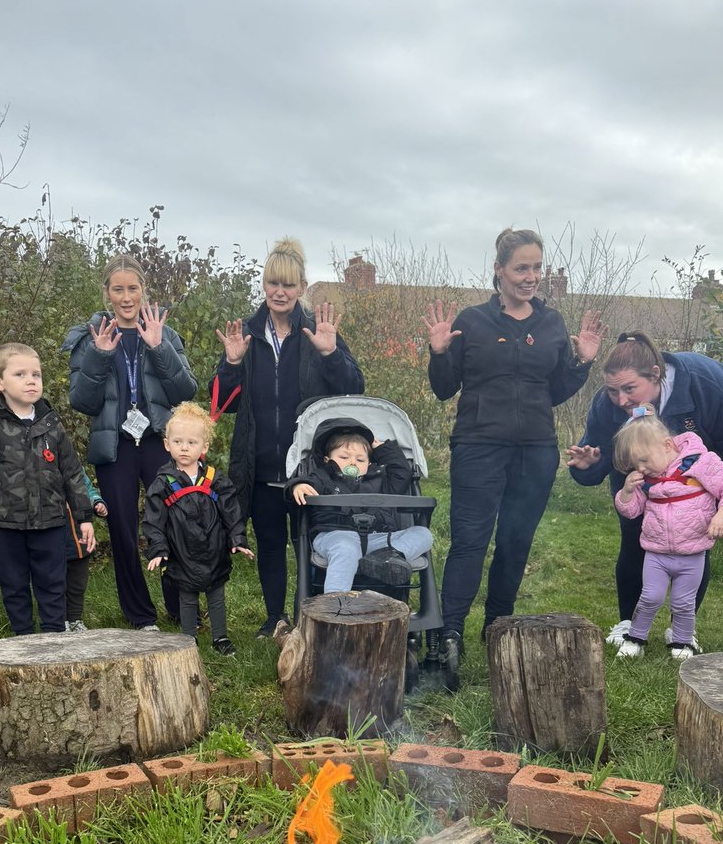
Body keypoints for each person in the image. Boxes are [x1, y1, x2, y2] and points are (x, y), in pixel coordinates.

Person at [424, 227, 604, 678]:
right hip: (479, 447)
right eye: (521, 267)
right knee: (470, 541)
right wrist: (439, 352)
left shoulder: (551, 324)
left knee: (515, 542)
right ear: (499, 270)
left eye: (537, 268)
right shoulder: (473, 319)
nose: (531, 277)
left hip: (535, 452)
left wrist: (582, 362)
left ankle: (497, 628)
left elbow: (555, 390)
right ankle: (449, 634)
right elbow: (444, 388)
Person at [212, 237, 364, 637]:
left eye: (288, 285)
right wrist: (231, 364)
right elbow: (220, 403)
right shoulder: (245, 334)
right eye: (272, 284)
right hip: (260, 462)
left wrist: (331, 354)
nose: (279, 292)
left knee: (313, 543)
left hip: (309, 466)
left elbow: (354, 388)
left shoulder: (317, 330)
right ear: (264, 286)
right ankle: (275, 616)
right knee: (271, 542)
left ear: (301, 288)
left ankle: (312, 613)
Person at [567, 330, 723, 648]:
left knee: (694, 543)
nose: (622, 401)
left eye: (629, 389)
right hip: (637, 481)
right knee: (634, 538)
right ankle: (628, 622)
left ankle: (682, 629)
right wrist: (588, 466)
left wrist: (718, 498)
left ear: (655, 375)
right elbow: (599, 460)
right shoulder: (608, 404)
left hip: (698, 474)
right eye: (613, 391)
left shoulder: (705, 383)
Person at [65, 254, 197, 630]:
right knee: (123, 530)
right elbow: (82, 402)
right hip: (116, 446)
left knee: (175, 520)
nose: (126, 297)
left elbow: (185, 391)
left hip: (158, 441)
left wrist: (158, 348)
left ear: (143, 291)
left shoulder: (164, 332)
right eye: (118, 289)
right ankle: (140, 615)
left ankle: (180, 605)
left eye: (133, 288)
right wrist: (100, 357)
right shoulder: (90, 336)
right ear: (107, 292)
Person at [0, 343, 94, 635]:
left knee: (52, 583)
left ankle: (54, 636)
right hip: (5, 523)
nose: (31, 380)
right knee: (14, 584)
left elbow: (72, 473)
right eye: (20, 374)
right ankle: (23, 638)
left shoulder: (52, 424)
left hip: (51, 521)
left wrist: (84, 517)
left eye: (36, 374)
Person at [609, 404, 723, 660]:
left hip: (693, 552)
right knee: (650, 596)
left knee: (684, 602)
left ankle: (682, 642)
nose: (640, 468)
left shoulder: (699, 462)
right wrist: (627, 492)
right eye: (635, 464)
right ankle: (635, 638)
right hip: (657, 552)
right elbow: (631, 511)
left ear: (667, 445)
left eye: (643, 460)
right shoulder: (647, 479)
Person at [142, 402, 253, 655]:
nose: (184, 447)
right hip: (182, 552)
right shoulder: (163, 483)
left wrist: (237, 539)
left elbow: (231, 512)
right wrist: (158, 548)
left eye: (192, 443)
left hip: (213, 549)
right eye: (178, 441)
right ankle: (188, 640)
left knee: (216, 595)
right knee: (187, 597)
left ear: (204, 447)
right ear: (167, 444)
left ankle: (220, 637)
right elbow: (153, 520)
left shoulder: (215, 479)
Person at [286, 417, 433, 593]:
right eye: (344, 457)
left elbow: (402, 474)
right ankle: (335, 606)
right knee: (346, 549)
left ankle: (387, 558)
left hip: (378, 540)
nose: (353, 462)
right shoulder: (323, 477)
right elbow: (306, 483)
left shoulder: (380, 479)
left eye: (360, 459)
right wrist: (298, 485)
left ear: (369, 463)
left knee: (423, 535)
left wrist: (383, 449)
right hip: (336, 536)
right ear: (326, 460)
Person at [65, 468, 107, 632]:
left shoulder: (73, 465)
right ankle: (60, 620)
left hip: (79, 537)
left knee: (77, 584)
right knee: (55, 583)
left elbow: (87, 489)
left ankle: (75, 619)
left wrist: (97, 503)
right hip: (52, 538)